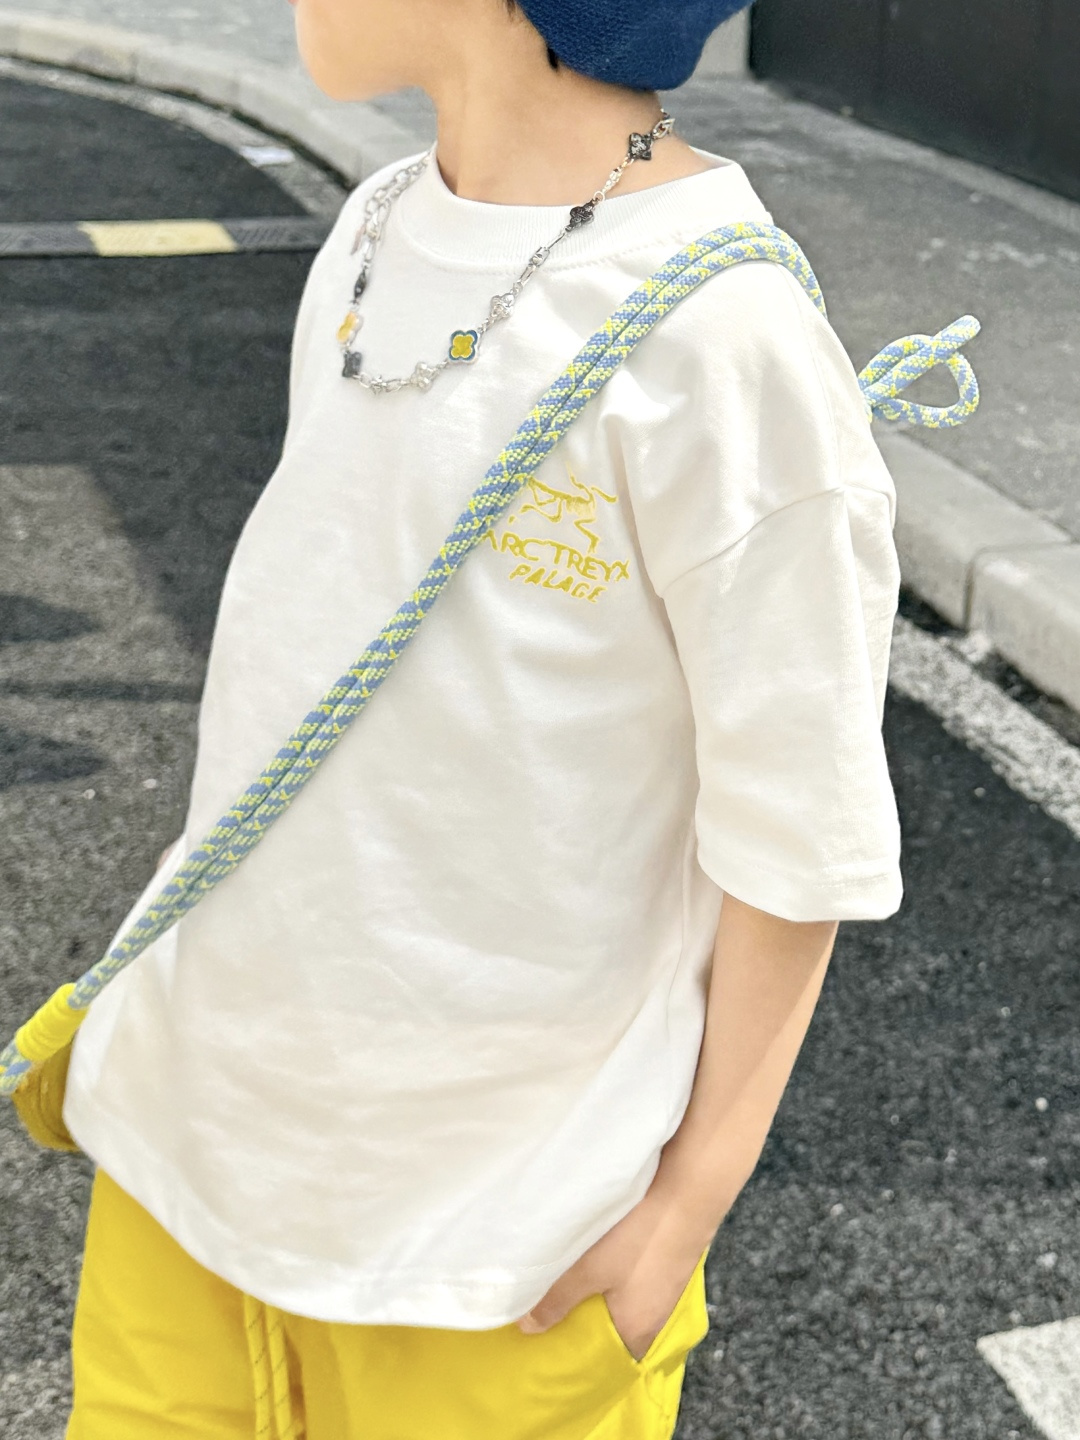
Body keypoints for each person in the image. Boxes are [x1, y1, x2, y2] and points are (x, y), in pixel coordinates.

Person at [61, 0, 903, 1435]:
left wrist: (686, 1206)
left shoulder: (729, 341)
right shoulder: (378, 224)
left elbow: (798, 837)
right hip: (190, 1146)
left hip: (500, 1251)